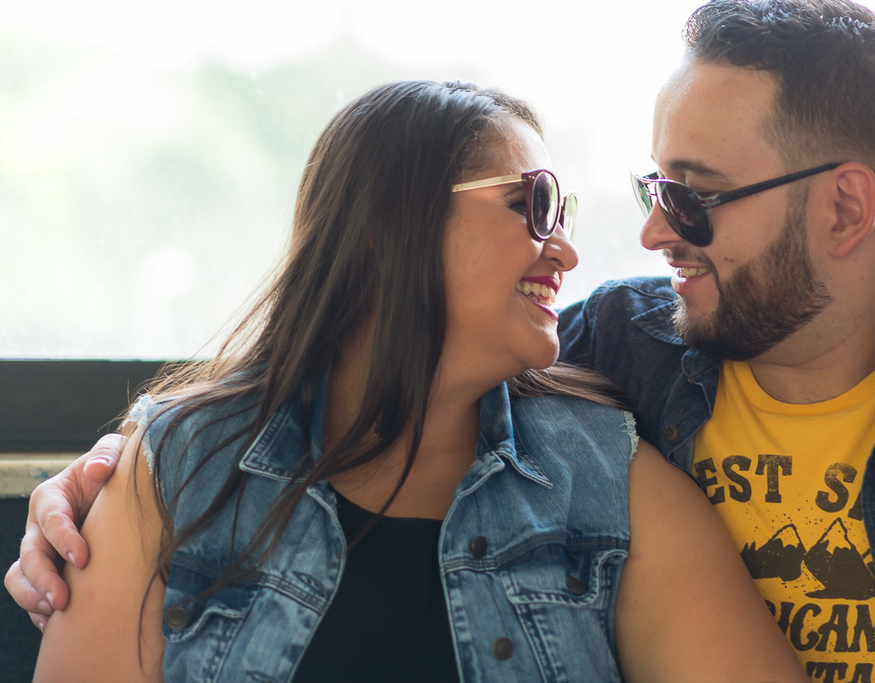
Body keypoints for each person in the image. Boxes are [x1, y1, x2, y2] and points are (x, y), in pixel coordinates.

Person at [10, 0, 875, 680]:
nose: (634, 235)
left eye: (692, 194)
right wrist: (124, 464)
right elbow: (379, 372)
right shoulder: (630, 351)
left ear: (843, 207)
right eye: (549, 206)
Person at [19, 80, 805, 683]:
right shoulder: (174, 471)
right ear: (387, 226)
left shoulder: (608, 485)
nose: (564, 251)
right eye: (533, 205)